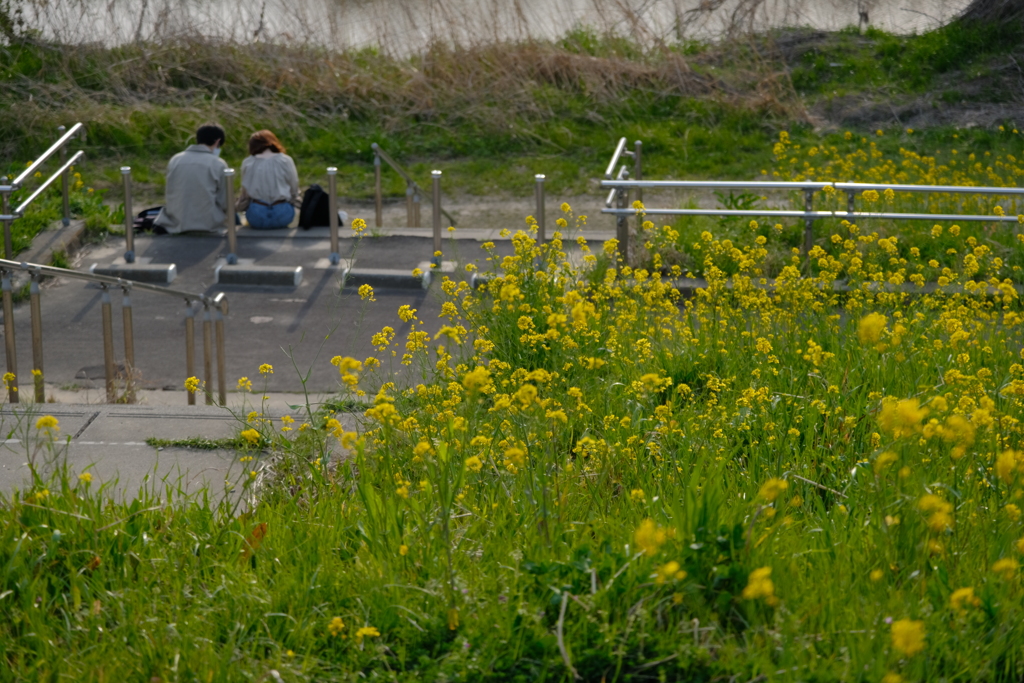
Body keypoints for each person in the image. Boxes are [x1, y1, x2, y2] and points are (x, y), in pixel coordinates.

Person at [154, 123, 229, 234]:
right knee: (235, 217)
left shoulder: (175, 159)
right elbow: (225, 202)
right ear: (217, 142)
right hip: (209, 224)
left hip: (176, 223)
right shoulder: (218, 164)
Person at [237, 130, 300, 230]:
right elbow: (294, 188)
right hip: (282, 213)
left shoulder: (248, 162)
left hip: (256, 215)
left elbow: (245, 193)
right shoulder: (286, 160)